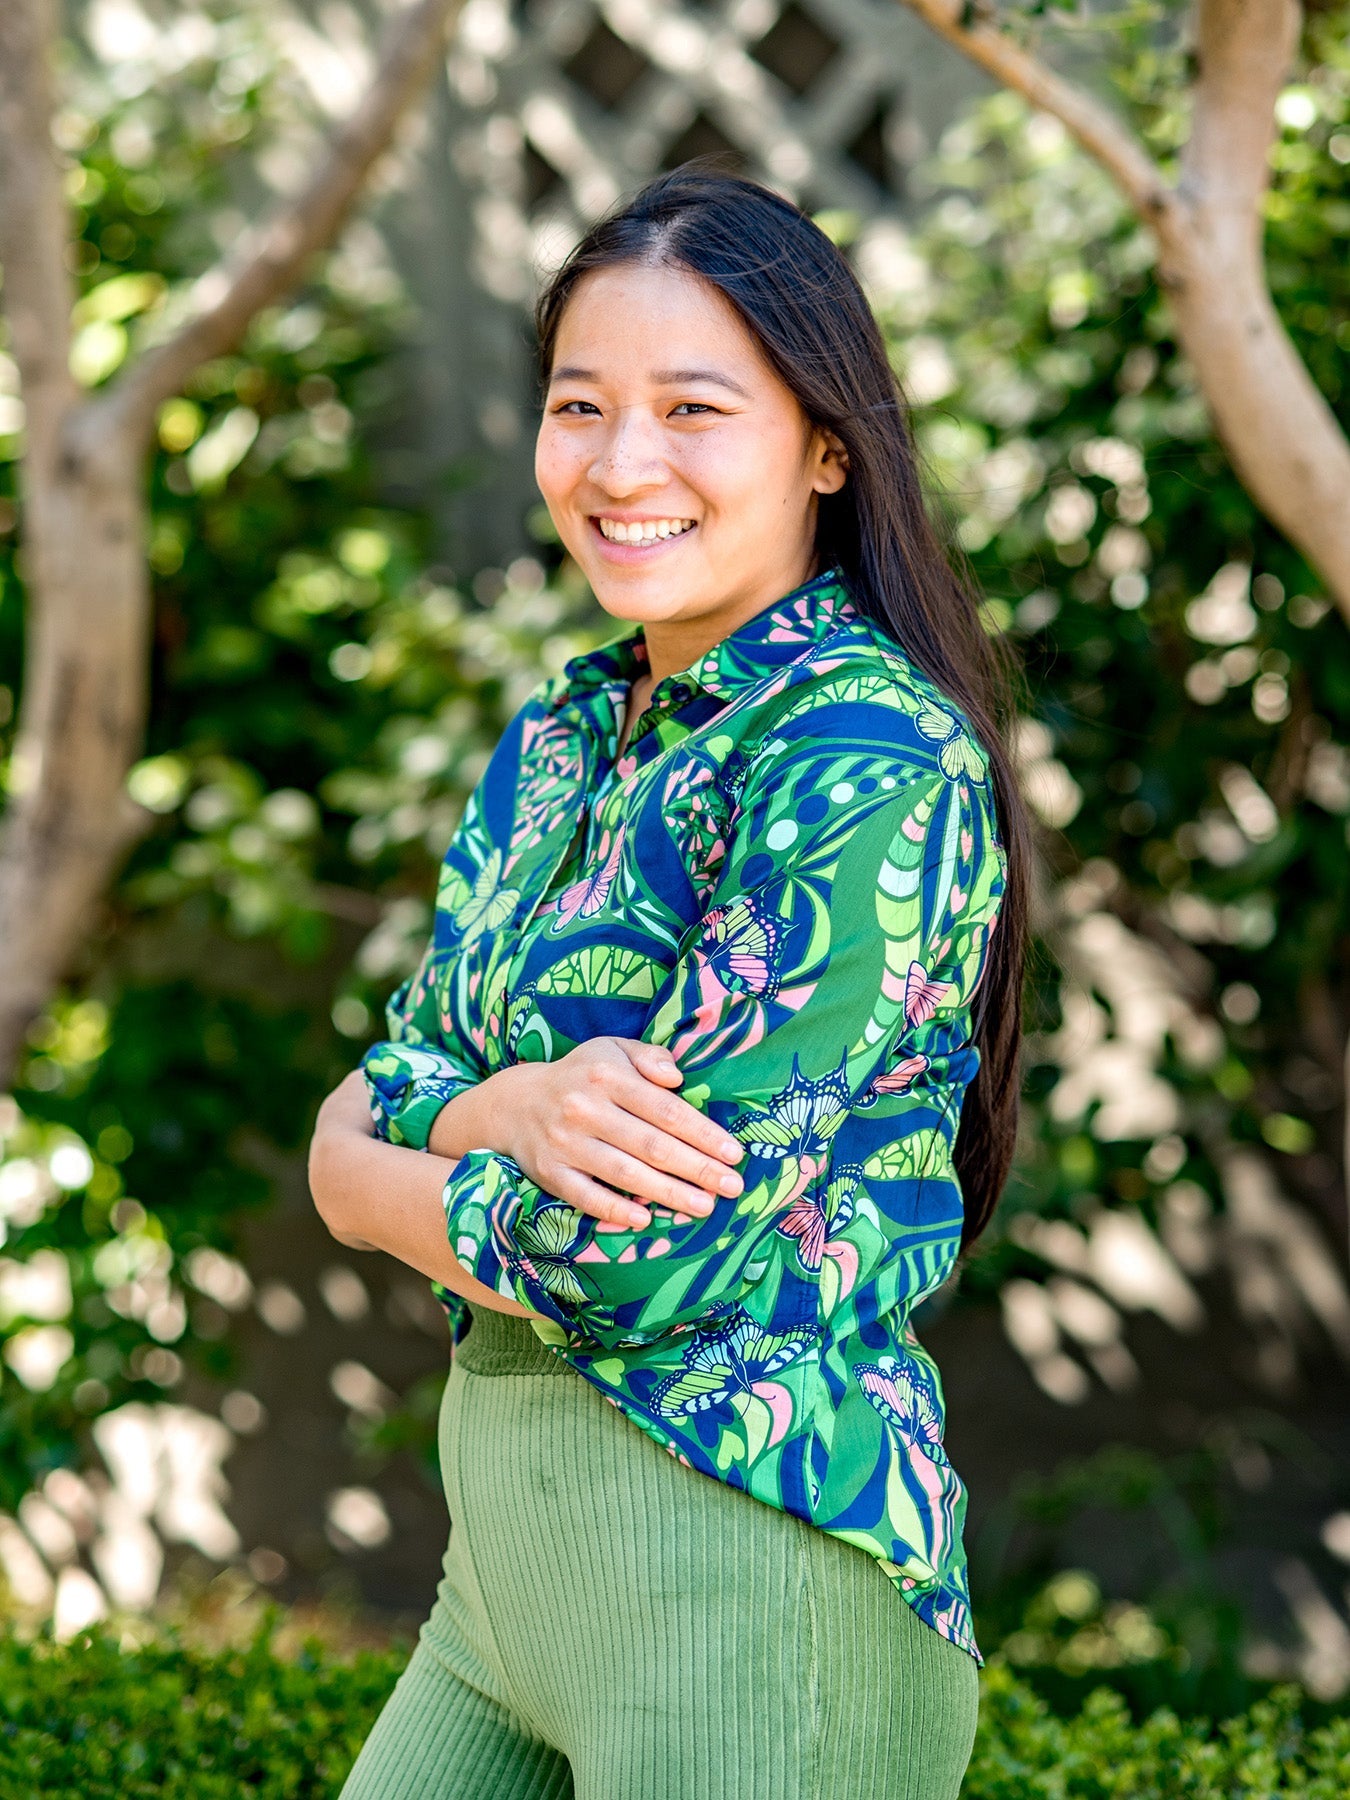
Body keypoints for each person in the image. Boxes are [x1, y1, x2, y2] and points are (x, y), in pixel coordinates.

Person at [309, 165, 1030, 1800]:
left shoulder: (863, 758)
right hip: (497, 1601)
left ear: (824, 445)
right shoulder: (559, 740)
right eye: (581, 406)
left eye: (693, 409)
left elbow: (638, 1259)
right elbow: (411, 1061)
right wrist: (498, 1107)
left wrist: (362, 1179)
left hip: (750, 1594)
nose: (621, 466)